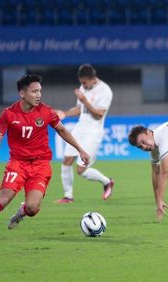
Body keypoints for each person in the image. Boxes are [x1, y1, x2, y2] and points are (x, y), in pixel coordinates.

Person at [0, 74, 90, 240]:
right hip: (18, 164)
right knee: (3, 199)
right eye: (34, 91)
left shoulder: (46, 112)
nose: (38, 95)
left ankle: (22, 211)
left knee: (32, 208)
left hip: (41, 165)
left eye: (40, 91)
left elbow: (62, 130)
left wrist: (80, 150)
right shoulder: (8, 114)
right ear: (22, 94)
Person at [54, 64, 114, 204]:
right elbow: (79, 109)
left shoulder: (105, 91)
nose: (83, 85)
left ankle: (107, 182)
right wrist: (65, 113)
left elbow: (99, 114)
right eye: (81, 82)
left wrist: (85, 101)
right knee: (66, 161)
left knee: (81, 170)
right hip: (80, 128)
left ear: (93, 79)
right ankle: (68, 197)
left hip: (93, 132)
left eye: (84, 82)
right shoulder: (83, 87)